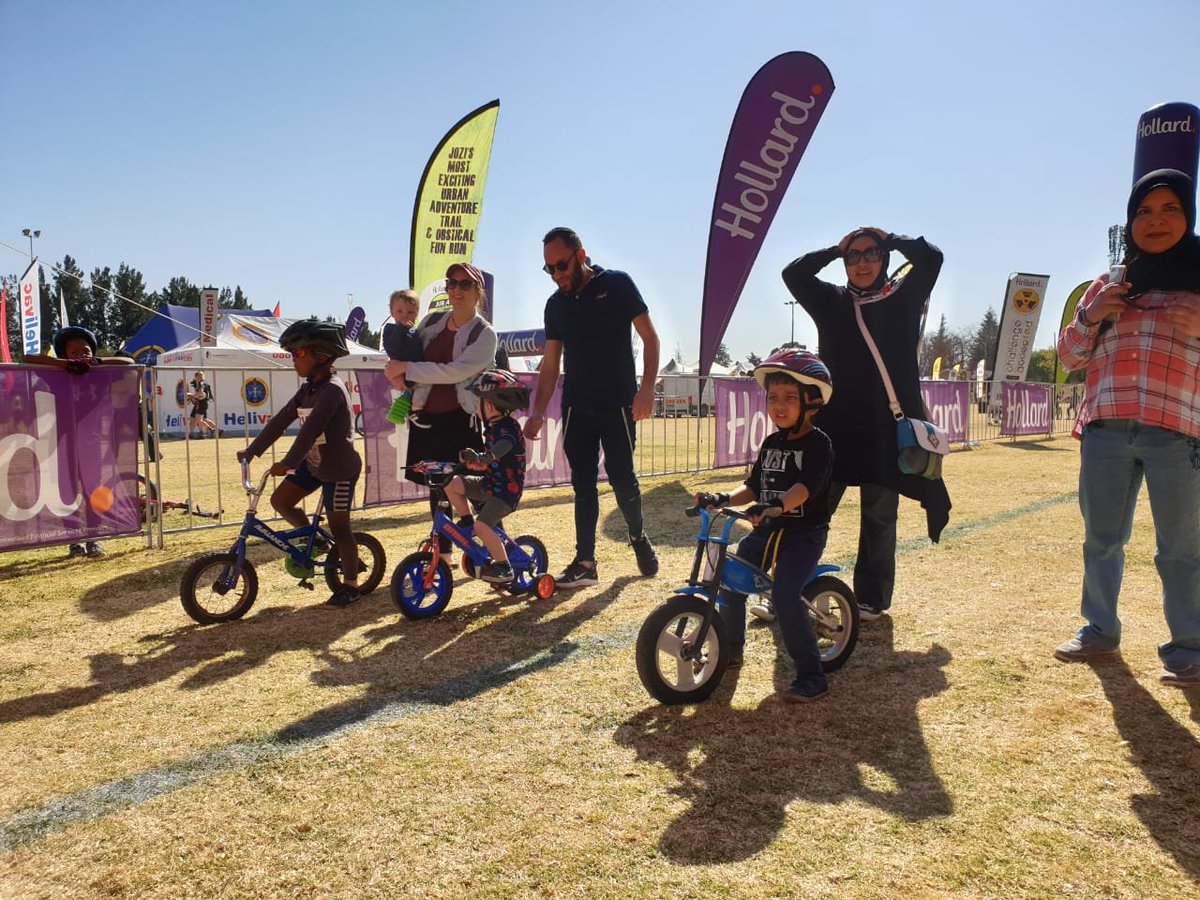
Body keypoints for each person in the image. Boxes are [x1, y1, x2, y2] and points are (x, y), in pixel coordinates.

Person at [1053, 168, 1200, 688]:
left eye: (1170, 209)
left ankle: (1189, 646)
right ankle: (1099, 628)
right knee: (1101, 538)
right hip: (1106, 429)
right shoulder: (1110, 283)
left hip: (1178, 430)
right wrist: (1090, 317)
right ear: (1129, 220)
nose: (1155, 221)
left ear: (1189, 215)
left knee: (1181, 546)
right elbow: (1070, 357)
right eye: (1144, 211)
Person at [783, 227, 951, 621]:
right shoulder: (831, 302)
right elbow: (794, 275)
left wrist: (890, 237)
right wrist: (833, 248)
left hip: (884, 428)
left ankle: (871, 598)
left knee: (879, 515)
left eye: (871, 254)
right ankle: (790, 589)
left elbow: (933, 258)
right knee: (812, 509)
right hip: (835, 425)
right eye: (853, 256)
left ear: (885, 259)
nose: (862, 262)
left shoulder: (904, 298)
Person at [523, 227, 661, 587]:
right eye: (549, 269)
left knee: (622, 478)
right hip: (576, 408)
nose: (557, 274)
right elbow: (551, 364)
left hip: (617, 403)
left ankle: (637, 536)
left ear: (581, 255)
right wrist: (538, 411)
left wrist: (646, 389)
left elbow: (650, 337)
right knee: (582, 485)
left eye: (562, 265)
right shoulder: (555, 305)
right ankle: (585, 562)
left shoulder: (616, 285)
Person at [695, 349, 835, 702]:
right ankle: (730, 648)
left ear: (812, 401)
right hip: (766, 531)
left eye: (790, 398)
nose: (779, 406)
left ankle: (812, 676)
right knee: (729, 580)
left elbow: (806, 489)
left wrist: (777, 504)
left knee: (786, 596)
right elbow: (753, 486)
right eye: (773, 398)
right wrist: (723, 498)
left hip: (803, 536)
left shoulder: (819, 444)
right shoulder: (771, 442)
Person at [236, 320, 364, 607]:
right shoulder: (308, 390)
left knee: (341, 528)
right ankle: (315, 544)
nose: (293, 359)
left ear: (320, 356)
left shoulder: (332, 389)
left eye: (298, 353)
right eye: (292, 354)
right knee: (281, 500)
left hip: (340, 469)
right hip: (316, 463)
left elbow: (309, 431)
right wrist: (251, 451)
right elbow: (281, 420)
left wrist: (287, 461)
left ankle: (352, 585)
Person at [386, 263, 497, 552]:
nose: (457, 289)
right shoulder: (431, 321)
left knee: (476, 490)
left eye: (465, 284)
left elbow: (454, 372)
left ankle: (498, 554)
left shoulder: (485, 335)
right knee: (438, 490)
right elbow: (407, 354)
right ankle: (443, 555)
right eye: (452, 283)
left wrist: (405, 368)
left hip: (462, 421)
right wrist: (397, 372)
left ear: (478, 291)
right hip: (426, 420)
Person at [26, 326, 134, 559]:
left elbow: (127, 361)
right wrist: (63, 365)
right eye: (73, 351)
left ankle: (94, 538)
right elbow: (27, 358)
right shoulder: (56, 374)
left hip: (92, 444)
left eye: (84, 350)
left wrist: (95, 361)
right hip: (61, 443)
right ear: (63, 353)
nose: (79, 355)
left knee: (93, 491)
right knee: (67, 492)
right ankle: (74, 540)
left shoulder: (100, 373)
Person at [444, 369, 530, 583]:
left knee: (483, 525)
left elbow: (504, 446)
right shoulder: (491, 427)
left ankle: (504, 567)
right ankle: (466, 522)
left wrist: (487, 456)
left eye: (478, 402)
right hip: (490, 483)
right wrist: (476, 462)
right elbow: (492, 461)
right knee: (452, 484)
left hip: (506, 493)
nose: (476, 407)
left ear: (489, 406)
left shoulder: (508, 428)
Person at [381, 288, 432, 429]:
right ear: (392, 312)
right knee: (420, 388)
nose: (405, 316)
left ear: (417, 313)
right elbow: (392, 346)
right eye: (400, 312)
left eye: (410, 312)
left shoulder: (416, 330)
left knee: (420, 389)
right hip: (402, 370)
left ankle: (402, 411)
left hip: (415, 368)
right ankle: (415, 410)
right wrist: (401, 329)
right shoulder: (390, 329)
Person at [187, 371, 217, 439]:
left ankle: (212, 430)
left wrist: (192, 396)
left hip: (202, 403)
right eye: (200, 376)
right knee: (198, 419)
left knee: (199, 420)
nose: (201, 377)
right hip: (200, 403)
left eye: (202, 375)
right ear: (196, 377)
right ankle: (191, 434)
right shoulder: (198, 383)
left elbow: (201, 393)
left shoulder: (201, 383)